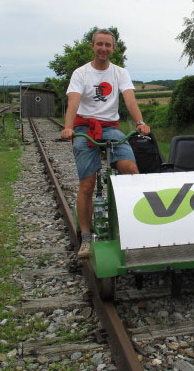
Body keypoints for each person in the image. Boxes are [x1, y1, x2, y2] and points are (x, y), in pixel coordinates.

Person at [61, 29, 150, 258]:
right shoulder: (81, 73)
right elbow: (73, 102)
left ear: (113, 48)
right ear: (92, 46)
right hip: (84, 127)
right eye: (99, 44)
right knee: (87, 184)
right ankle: (86, 237)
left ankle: (135, 225)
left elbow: (129, 98)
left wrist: (140, 122)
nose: (103, 48)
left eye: (108, 45)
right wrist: (69, 127)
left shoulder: (120, 72)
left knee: (131, 170)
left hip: (111, 127)